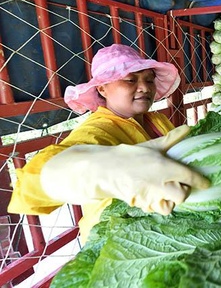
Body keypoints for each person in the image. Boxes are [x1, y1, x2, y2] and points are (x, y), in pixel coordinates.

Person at [8, 44, 209, 243]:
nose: (145, 87)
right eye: (130, 80)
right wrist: (97, 171)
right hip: (116, 243)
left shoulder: (157, 120)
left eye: (149, 79)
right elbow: (27, 188)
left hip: (164, 231)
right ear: (102, 89)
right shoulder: (98, 131)